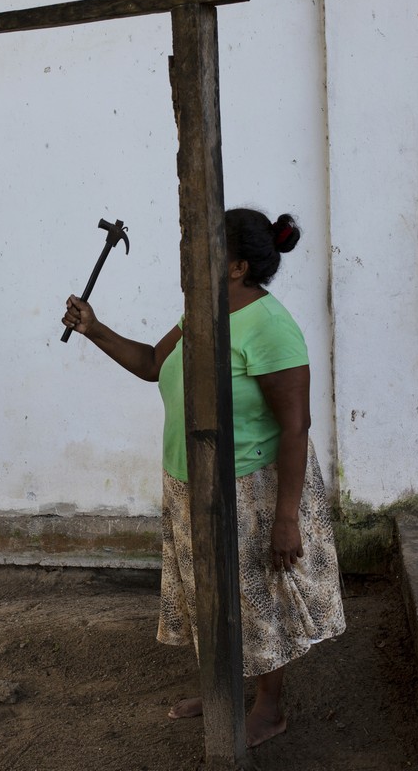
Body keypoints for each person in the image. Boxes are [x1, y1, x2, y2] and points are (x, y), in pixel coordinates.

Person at [61, 208, 346, 748]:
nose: (190, 254)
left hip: (251, 488)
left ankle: (269, 706)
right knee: (209, 596)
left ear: (237, 266)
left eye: (203, 247)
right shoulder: (202, 309)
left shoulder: (269, 326)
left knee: (256, 596)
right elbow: (151, 364)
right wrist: (93, 328)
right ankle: (222, 690)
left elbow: (296, 426)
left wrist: (286, 518)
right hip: (189, 481)